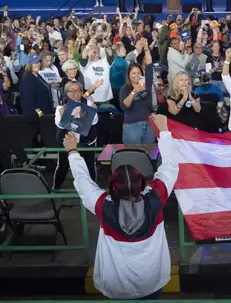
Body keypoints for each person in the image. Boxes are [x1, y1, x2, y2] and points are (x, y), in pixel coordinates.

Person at [64, 114, 177, 300]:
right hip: (151, 282)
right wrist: (164, 131)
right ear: (141, 182)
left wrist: (72, 152)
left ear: (112, 185)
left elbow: (83, 180)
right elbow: (170, 167)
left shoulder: (103, 206)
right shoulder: (155, 199)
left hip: (116, 286)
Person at [54, 80, 98, 189]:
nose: (75, 93)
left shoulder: (88, 103)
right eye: (71, 91)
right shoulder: (61, 106)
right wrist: (64, 116)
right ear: (66, 93)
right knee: (62, 166)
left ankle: (93, 190)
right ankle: (56, 190)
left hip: (86, 141)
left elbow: (95, 121)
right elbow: (60, 125)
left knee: (90, 166)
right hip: (67, 141)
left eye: (78, 90)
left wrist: (92, 113)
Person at [119, 59, 156, 144]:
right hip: (132, 126)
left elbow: (149, 65)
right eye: (133, 73)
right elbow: (124, 106)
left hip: (149, 124)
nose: (136, 75)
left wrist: (146, 49)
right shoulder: (125, 89)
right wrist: (134, 92)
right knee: (134, 154)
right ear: (129, 75)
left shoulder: (147, 86)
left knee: (149, 154)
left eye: (138, 73)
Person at [20, 54, 54, 119]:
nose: (37, 64)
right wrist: (39, 112)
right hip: (35, 115)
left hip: (44, 111)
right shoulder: (27, 77)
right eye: (34, 63)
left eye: (38, 62)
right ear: (29, 64)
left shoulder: (37, 74)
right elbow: (28, 98)